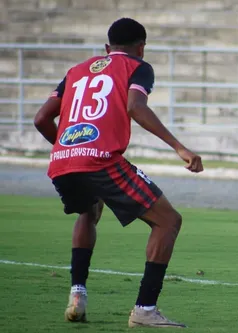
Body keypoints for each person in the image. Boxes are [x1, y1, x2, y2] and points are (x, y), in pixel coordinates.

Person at [33, 17, 203, 328]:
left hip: (63, 159)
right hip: (101, 160)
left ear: (107, 48)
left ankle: (78, 295)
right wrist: (180, 148)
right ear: (141, 47)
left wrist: (67, 147)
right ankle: (145, 309)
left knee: (89, 211)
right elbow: (136, 107)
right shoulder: (138, 67)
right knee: (168, 221)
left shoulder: (76, 71)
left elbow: (42, 118)